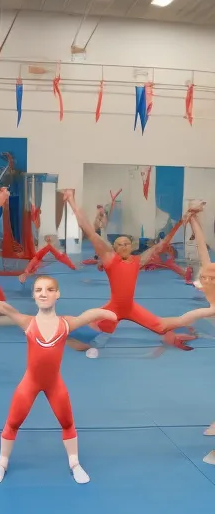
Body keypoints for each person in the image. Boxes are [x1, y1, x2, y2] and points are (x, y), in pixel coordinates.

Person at [0, 277, 118, 485]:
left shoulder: (65, 324)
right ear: (34, 295)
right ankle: (2, 463)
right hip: (30, 383)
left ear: (58, 294)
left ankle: (75, 463)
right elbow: (5, 308)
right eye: (38, 290)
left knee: (67, 422)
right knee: (13, 422)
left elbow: (87, 315)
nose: (43, 293)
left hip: (55, 384)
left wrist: (106, 313)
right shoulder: (28, 322)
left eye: (49, 289)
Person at [64, 190, 204, 354]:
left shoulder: (138, 261)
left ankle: (191, 324)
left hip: (130, 308)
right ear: (114, 248)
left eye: (126, 244)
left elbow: (162, 244)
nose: (124, 246)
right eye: (120, 244)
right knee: (90, 340)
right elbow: (86, 228)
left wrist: (182, 221)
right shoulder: (110, 258)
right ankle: (58, 328)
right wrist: (71, 200)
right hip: (113, 309)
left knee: (161, 326)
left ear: (131, 246)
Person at [180, 201, 215, 452]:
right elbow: (203, 248)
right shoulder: (207, 270)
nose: (207, 277)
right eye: (205, 276)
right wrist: (193, 219)